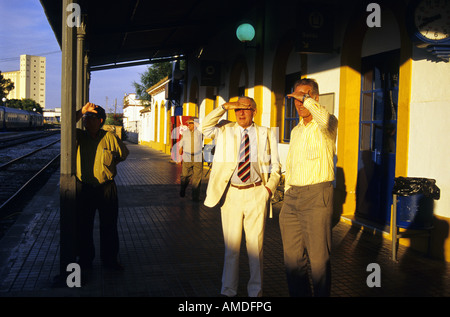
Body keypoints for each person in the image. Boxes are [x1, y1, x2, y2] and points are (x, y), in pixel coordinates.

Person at [202, 96, 281, 297]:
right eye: (237, 110)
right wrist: (224, 107)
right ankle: (228, 291)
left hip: (256, 193)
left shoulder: (266, 133)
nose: (241, 113)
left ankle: (256, 293)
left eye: (245, 109)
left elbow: (276, 167)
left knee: (256, 249)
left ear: (254, 111)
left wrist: (268, 190)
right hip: (231, 195)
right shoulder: (224, 129)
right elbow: (204, 127)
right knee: (232, 249)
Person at [279, 78, 338, 296]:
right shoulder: (296, 131)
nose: (300, 101)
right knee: (292, 259)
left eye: (305, 95)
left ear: (316, 98)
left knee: (319, 258)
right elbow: (291, 164)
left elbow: (323, 116)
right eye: (296, 97)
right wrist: (286, 193)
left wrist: (306, 99)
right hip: (292, 196)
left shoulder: (328, 124)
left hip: (316, 196)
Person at [75, 102, 129, 271]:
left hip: (106, 187)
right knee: (84, 226)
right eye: (85, 118)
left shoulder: (110, 137)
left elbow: (123, 154)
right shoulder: (78, 136)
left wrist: (109, 167)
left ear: (100, 121)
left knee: (109, 226)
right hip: (85, 188)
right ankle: (85, 261)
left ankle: (110, 261)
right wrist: (82, 110)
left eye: (91, 117)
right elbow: (66, 126)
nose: (87, 120)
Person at [178, 117, 203, 201]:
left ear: (195, 124)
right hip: (187, 156)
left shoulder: (200, 132)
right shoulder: (185, 133)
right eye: (188, 123)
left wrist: (198, 124)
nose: (188, 125)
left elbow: (205, 128)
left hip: (198, 156)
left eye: (191, 123)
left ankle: (195, 197)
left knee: (197, 178)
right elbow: (182, 141)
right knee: (185, 175)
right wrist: (180, 149)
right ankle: (183, 188)